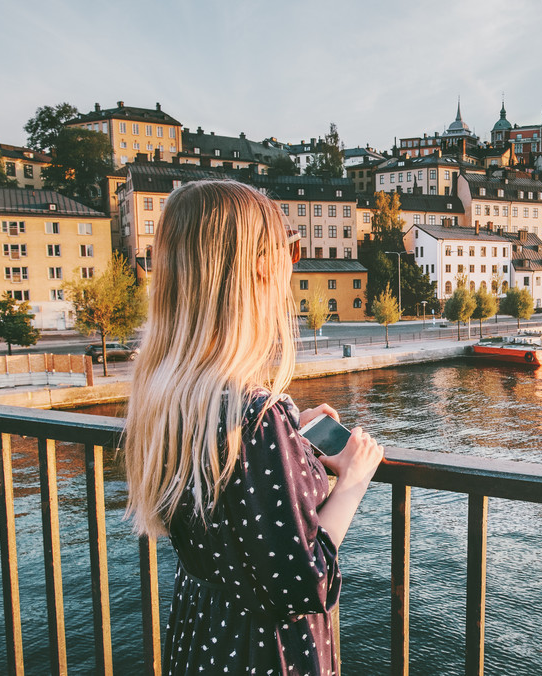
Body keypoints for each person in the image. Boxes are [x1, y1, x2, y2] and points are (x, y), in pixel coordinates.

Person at [123, 180, 384, 675]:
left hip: (202, 635)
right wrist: (353, 478)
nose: (293, 264)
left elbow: (238, 513)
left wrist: (296, 444)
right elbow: (306, 582)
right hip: (265, 654)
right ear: (258, 271)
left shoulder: (170, 396)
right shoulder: (254, 417)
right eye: (289, 251)